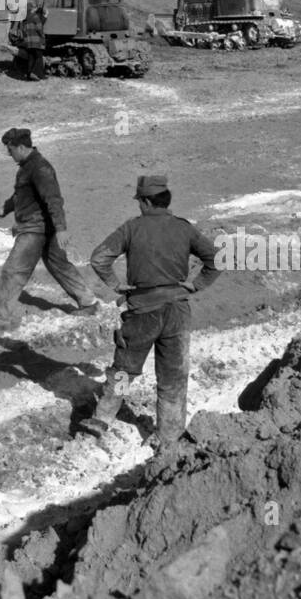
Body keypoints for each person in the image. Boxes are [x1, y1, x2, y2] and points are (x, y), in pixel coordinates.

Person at [82, 174, 221, 458]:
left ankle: (103, 418)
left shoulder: (132, 228)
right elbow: (216, 259)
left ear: (145, 202)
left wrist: (116, 284)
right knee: (172, 377)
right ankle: (169, 438)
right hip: (177, 313)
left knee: (125, 370)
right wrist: (194, 285)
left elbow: (99, 258)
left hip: (142, 312)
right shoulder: (185, 229)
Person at [0, 127, 102, 330]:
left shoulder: (40, 167)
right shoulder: (27, 166)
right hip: (43, 228)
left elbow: (53, 198)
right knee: (60, 266)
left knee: (13, 271)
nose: (8, 154)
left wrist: (62, 228)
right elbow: (22, 195)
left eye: (10, 149)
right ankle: (88, 302)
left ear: (21, 147)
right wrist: (6, 208)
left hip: (35, 228)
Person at [16, 4, 47, 81]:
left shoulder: (25, 19)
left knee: (31, 59)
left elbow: (23, 31)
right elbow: (40, 29)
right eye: (34, 8)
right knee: (39, 58)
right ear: (32, 9)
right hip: (36, 41)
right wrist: (43, 38)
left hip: (29, 42)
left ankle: (30, 76)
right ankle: (35, 73)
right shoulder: (35, 17)